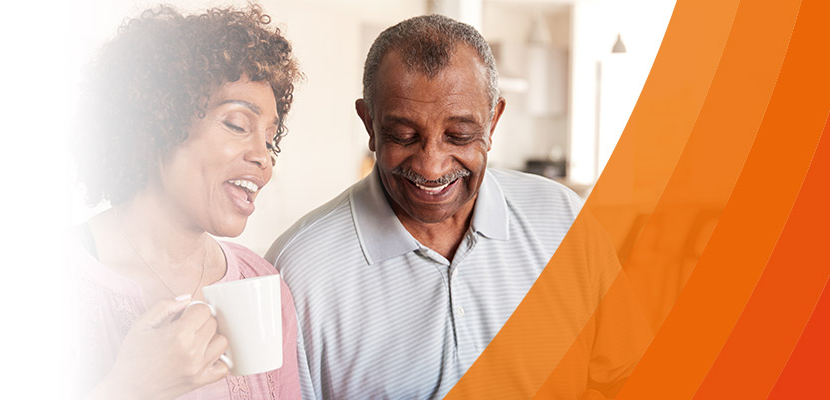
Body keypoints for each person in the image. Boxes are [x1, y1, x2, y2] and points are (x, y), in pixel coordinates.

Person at [264, 15, 583, 399]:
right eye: (403, 135)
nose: (431, 166)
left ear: (493, 122)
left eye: (459, 135)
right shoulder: (300, 270)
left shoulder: (564, 220)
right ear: (368, 123)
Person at [69, 4, 303, 400]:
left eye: (268, 137)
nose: (264, 157)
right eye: (236, 124)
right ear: (159, 122)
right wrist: (128, 389)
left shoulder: (261, 282)